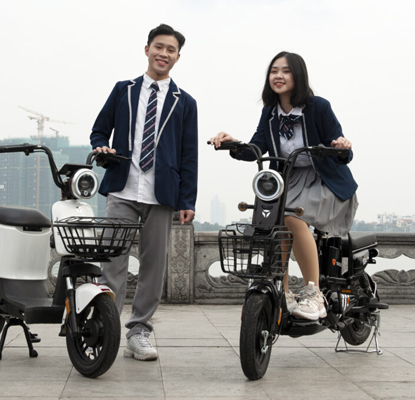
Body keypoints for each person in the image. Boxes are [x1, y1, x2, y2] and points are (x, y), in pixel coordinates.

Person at [209, 51, 357, 321]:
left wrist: (341, 145)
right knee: (274, 225)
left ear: (298, 76)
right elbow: (257, 147)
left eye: (286, 71)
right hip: (288, 180)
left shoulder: (319, 107)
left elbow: (341, 149)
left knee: (291, 218)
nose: (278, 76)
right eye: (274, 71)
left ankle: (314, 293)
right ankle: (283, 291)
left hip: (324, 179)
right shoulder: (270, 112)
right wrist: (233, 144)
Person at [90, 24, 198, 361]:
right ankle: (106, 328)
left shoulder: (185, 102)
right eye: (159, 47)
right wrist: (101, 147)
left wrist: (187, 200)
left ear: (178, 57)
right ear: (147, 49)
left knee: (153, 267)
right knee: (112, 263)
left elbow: (189, 154)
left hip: (161, 194)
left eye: (171, 50)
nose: (163, 54)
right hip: (122, 189)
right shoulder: (123, 90)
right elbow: (98, 131)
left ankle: (139, 332)